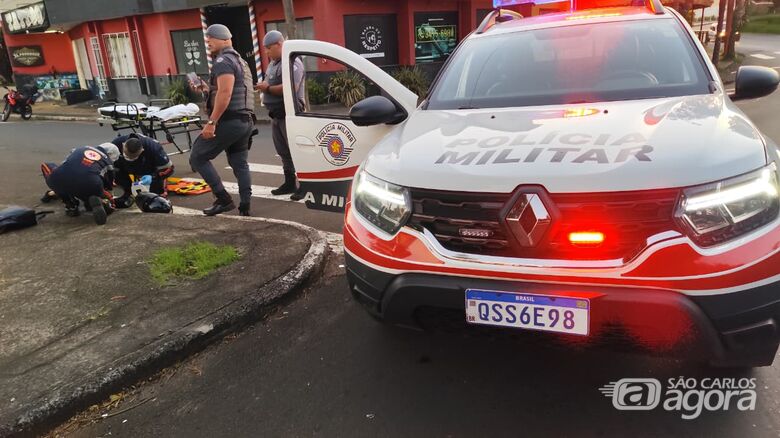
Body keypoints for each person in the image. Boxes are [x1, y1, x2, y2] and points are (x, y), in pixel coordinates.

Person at [188, 23, 254, 216]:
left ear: (225, 39)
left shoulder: (223, 61)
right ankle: (245, 206)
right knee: (240, 163)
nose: (208, 41)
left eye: (211, 38)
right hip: (245, 121)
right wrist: (206, 89)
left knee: (198, 157)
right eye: (207, 38)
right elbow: (227, 91)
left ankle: (223, 199)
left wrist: (212, 122)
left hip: (230, 121)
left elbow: (225, 93)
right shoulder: (240, 61)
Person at [256, 30, 306, 201]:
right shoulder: (273, 64)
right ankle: (289, 182)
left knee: (296, 152)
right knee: (283, 151)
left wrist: (267, 88)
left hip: (290, 115)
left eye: (269, 48)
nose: (266, 52)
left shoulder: (292, 62)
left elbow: (291, 87)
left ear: (279, 44)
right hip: (276, 115)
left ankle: (304, 185)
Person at [40, 143, 120, 225]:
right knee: (98, 189)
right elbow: (109, 186)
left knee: (47, 167)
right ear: (111, 155)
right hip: (90, 184)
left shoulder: (80, 149)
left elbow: (66, 163)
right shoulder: (108, 163)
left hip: (60, 180)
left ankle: (70, 205)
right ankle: (102, 202)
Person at [110, 133, 174, 208]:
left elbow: (169, 168)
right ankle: (128, 193)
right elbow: (104, 164)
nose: (130, 159)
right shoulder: (115, 145)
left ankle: (154, 191)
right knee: (114, 170)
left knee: (155, 200)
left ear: (142, 150)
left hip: (148, 169)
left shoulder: (154, 148)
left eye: (133, 157)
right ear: (123, 146)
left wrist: (153, 177)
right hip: (124, 167)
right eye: (127, 156)